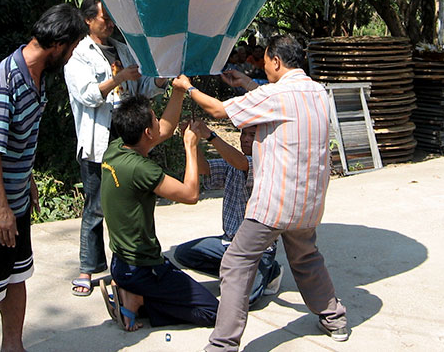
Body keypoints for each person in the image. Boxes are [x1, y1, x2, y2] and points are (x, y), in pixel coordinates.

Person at [174, 34, 350, 350]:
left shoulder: (275, 94)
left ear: (276, 61)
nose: (263, 66)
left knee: (236, 262)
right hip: (309, 202)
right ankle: (334, 319)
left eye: (265, 61)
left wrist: (187, 87)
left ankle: (223, 344)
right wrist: (245, 83)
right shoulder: (318, 92)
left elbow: (218, 110)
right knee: (307, 258)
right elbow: (278, 102)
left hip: (275, 203)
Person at [0, 4, 86, 352]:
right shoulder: (7, 78)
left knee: (16, 276)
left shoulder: (37, 75)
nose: (73, 55)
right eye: (73, 47)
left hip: (16, 198)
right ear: (58, 44)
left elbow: (20, 138)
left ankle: (13, 346)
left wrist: (27, 180)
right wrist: (0, 207)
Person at [63, 0, 170, 296]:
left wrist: (161, 79)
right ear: (88, 20)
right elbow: (87, 95)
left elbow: (143, 89)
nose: (110, 23)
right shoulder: (79, 56)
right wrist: (118, 77)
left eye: (111, 18)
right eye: (104, 18)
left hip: (129, 141)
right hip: (99, 141)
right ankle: (87, 269)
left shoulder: (124, 50)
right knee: (96, 205)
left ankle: (127, 266)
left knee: (131, 204)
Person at [99, 85, 219, 332]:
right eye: (155, 119)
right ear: (147, 132)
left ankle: (130, 292)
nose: (159, 122)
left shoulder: (116, 148)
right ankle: (137, 298)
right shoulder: (141, 169)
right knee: (213, 312)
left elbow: (165, 128)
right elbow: (190, 194)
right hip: (142, 269)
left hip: (122, 264)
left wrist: (178, 91)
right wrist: (191, 146)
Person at [172, 123, 283, 306]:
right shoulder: (231, 164)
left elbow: (241, 163)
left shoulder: (266, 164)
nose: (245, 139)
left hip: (256, 251)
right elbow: (204, 168)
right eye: (243, 134)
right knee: (185, 253)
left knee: (244, 302)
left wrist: (210, 135)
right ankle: (236, 273)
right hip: (229, 244)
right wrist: (192, 142)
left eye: (252, 135)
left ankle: (270, 271)